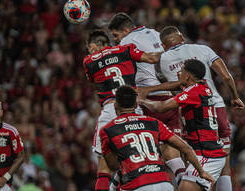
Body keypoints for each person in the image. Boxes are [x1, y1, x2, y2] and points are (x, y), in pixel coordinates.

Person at [150, 26, 245, 191]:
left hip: (190, 111)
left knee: (194, 159)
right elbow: (225, 76)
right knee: (224, 162)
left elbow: (173, 88)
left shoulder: (162, 60)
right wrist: (235, 96)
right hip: (216, 107)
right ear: (181, 38)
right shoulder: (202, 49)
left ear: (164, 45)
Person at [83, 30, 180, 191]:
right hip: (134, 110)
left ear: (92, 46)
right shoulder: (126, 49)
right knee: (143, 160)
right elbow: (152, 58)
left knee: (104, 168)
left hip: (111, 109)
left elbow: (96, 83)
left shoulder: (88, 61)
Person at [108, 13, 186, 184]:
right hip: (170, 96)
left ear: (126, 30)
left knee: (137, 151)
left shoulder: (126, 42)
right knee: (172, 153)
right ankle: (184, 182)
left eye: (116, 35)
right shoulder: (156, 33)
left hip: (148, 99)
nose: (115, 40)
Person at [100, 85, 215, 190]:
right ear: (136, 105)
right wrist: (201, 171)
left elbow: (113, 166)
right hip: (163, 184)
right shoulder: (154, 123)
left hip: (135, 185)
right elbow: (186, 148)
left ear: (115, 106)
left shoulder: (107, 130)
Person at [139, 59, 228, 191]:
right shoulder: (202, 85)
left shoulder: (193, 92)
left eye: (182, 71)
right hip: (205, 151)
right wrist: (150, 89)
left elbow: (161, 107)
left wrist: (141, 100)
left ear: (187, 76)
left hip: (207, 154)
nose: (178, 73)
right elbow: (175, 85)